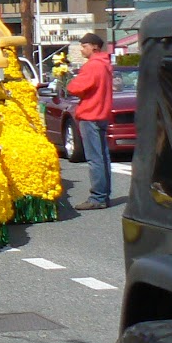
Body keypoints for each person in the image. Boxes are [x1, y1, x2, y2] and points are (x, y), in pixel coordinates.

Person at [67, 33, 114, 210]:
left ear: (94, 47)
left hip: (90, 114)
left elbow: (75, 87)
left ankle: (98, 197)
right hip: (101, 114)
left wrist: (70, 82)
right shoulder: (105, 64)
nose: (82, 49)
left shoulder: (93, 66)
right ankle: (104, 194)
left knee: (95, 158)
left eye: (84, 46)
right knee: (103, 157)